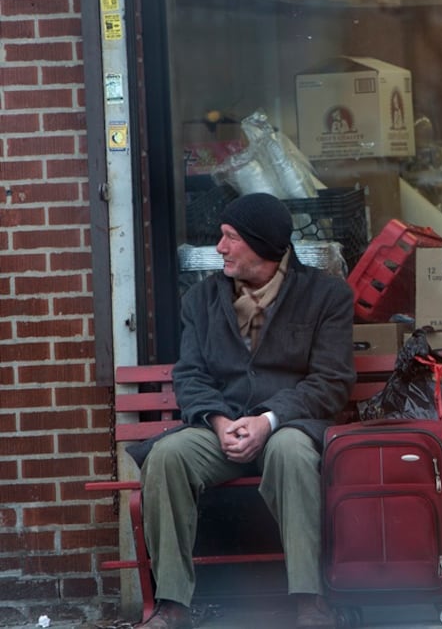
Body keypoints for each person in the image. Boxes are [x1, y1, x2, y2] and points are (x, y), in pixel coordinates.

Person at [127, 193, 355, 629]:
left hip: (288, 424)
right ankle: (172, 605)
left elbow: (331, 382)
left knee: (292, 452)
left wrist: (267, 419)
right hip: (221, 425)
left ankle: (310, 600)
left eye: (230, 237)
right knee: (167, 457)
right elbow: (190, 375)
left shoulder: (326, 296)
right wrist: (217, 420)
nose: (220, 247)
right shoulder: (201, 300)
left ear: (262, 245)